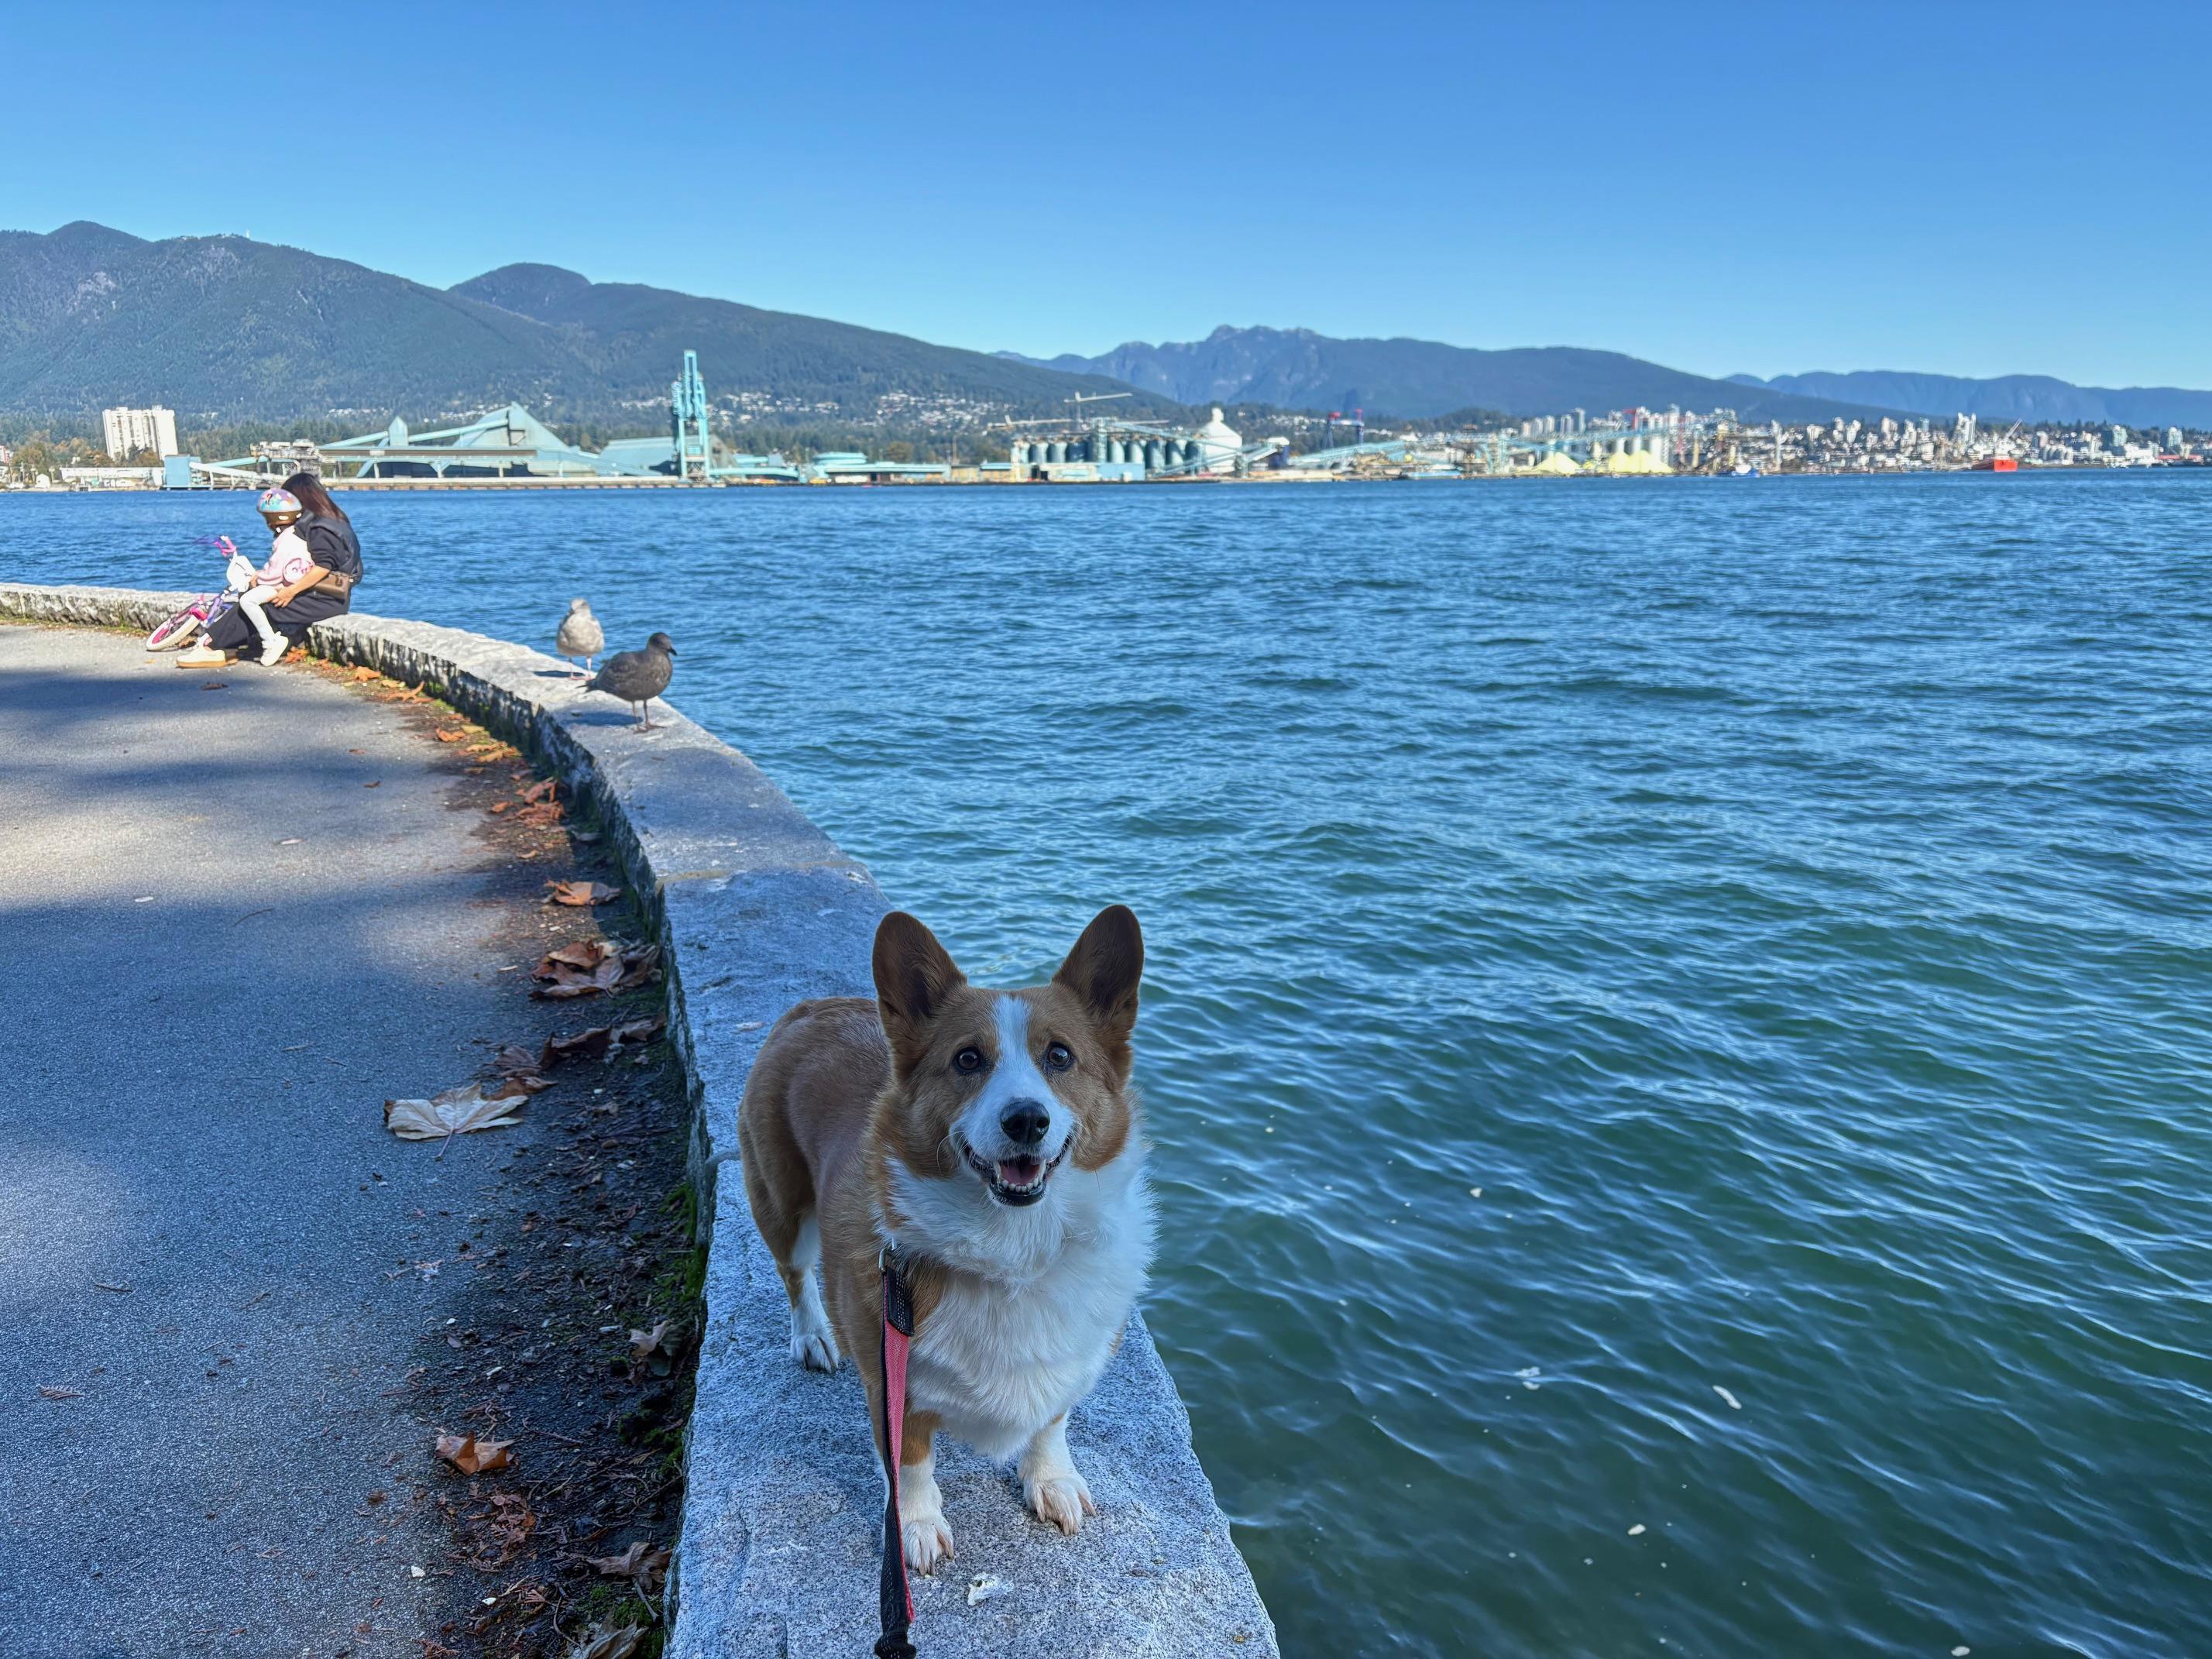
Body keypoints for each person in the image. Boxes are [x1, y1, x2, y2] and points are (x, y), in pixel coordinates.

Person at [179, 473, 363, 668]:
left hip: (322, 600)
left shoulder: (319, 527)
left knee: (262, 606)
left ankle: (212, 647)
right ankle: (231, 646)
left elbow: (322, 567)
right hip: (329, 597)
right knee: (259, 602)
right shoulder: (335, 520)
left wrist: (290, 591)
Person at [234, 489, 314, 665]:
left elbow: (275, 571)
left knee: (248, 600)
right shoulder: (298, 533)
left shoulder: (285, 539)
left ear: (274, 519)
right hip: (297, 580)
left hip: (286, 584)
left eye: (266, 518)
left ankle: (269, 641)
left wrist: (258, 578)